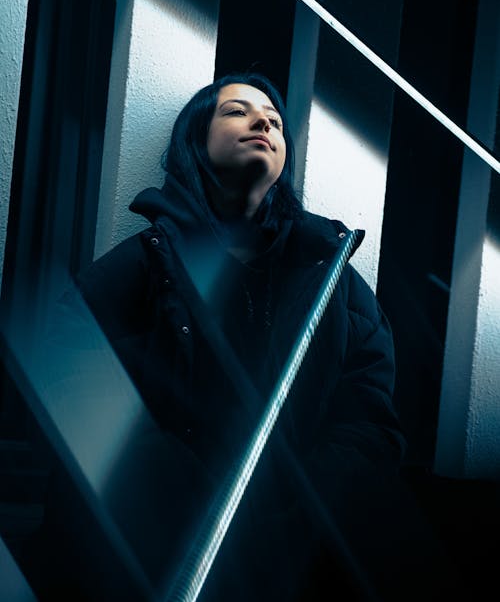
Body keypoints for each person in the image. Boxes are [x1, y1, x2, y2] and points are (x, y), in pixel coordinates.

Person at [29, 72, 455, 601]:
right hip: (162, 543)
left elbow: (368, 415)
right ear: (195, 141)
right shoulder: (150, 259)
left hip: (297, 555)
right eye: (237, 111)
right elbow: (68, 364)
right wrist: (164, 474)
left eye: (275, 120)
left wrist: (305, 501)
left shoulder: (330, 276)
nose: (263, 122)